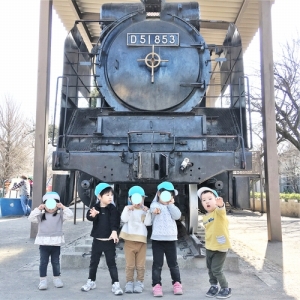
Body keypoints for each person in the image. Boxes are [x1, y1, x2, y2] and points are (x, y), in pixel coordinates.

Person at [81, 183, 123, 295]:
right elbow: (89, 217)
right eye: (107, 195)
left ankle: (115, 284)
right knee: (93, 262)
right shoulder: (95, 208)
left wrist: (114, 231)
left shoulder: (112, 209)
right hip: (97, 241)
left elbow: (115, 221)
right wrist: (93, 215)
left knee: (111, 263)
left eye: (111, 195)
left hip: (109, 242)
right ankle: (91, 281)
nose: (110, 197)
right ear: (99, 196)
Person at [28, 191, 73, 290]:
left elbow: (70, 215)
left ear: (57, 204)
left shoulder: (60, 215)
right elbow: (31, 218)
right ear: (44, 205)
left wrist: (63, 207)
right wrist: (38, 209)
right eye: (49, 204)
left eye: (54, 205)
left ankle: (56, 278)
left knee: (55, 262)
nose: (51, 208)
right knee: (43, 262)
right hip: (44, 244)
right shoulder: (40, 215)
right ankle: (43, 280)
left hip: (56, 244)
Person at [197, 187, 232, 299]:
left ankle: (225, 287)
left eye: (210, 198)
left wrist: (221, 205)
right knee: (210, 268)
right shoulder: (205, 217)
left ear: (215, 200)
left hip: (220, 247)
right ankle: (213, 286)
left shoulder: (218, 212)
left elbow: (222, 210)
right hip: (209, 247)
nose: (207, 201)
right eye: (204, 200)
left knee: (216, 269)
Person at [150, 181, 183, 297]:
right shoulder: (155, 205)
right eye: (164, 194)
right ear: (159, 194)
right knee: (157, 264)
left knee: (173, 263)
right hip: (157, 239)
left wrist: (170, 205)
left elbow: (177, 216)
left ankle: (177, 283)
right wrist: (155, 211)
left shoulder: (172, 207)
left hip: (171, 239)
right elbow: (153, 210)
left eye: (170, 194)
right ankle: (156, 285)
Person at [119, 186, 152, 293]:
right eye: (136, 198)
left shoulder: (144, 211)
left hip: (141, 241)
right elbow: (124, 219)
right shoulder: (128, 209)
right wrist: (127, 209)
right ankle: (129, 282)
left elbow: (147, 223)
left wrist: (148, 213)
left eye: (141, 198)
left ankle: (140, 282)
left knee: (140, 264)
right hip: (129, 240)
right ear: (130, 199)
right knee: (130, 264)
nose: (139, 201)